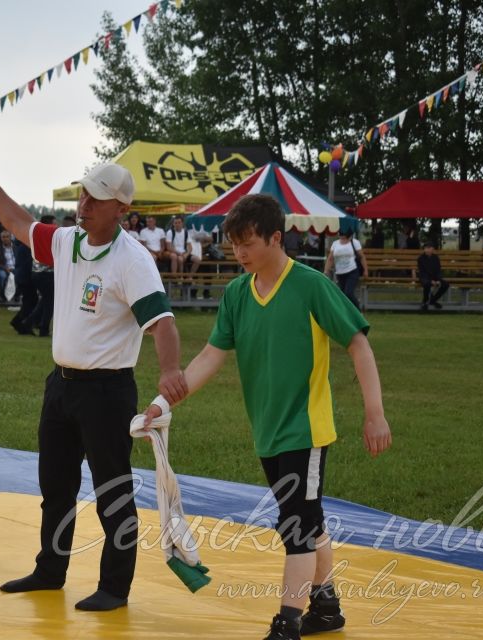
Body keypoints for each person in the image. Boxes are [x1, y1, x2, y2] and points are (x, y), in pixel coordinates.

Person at [0, 122, 187, 612]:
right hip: (61, 386)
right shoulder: (68, 243)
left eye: (96, 199)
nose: (84, 205)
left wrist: (169, 372)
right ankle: (49, 570)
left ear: (121, 209)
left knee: (112, 492)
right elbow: (18, 223)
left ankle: (114, 588)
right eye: (83, 195)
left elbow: (163, 323)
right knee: (55, 487)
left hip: (107, 393)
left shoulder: (133, 260)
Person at [139, 194, 391, 640]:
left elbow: (358, 343)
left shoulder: (311, 285)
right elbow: (211, 355)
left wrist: (375, 413)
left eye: (247, 244)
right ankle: (326, 605)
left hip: (306, 429)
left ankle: (288, 622)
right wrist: (162, 404)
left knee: (295, 524)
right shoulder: (238, 293)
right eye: (233, 245)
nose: (239, 254)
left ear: (276, 238)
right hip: (268, 431)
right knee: (308, 521)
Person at [324, 229, 367, 309]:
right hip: (340, 273)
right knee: (342, 295)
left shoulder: (355, 242)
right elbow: (330, 258)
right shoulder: (335, 244)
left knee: (348, 292)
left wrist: (365, 270)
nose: (343, 238)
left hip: (352, 271)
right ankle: (347, 313)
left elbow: (361, 257)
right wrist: (326, 270)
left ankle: (358, 311)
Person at [414, 242, 450, 311]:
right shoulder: (420, 258)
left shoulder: (436, 258)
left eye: (429, 248)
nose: (427, 250)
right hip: (424, 277)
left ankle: (432, 300)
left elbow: (438, 270)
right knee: (427, 284)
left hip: (435, 277)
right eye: (425, 248)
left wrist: (438, 280)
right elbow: (422, 272)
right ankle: (425, 302)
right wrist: (430, 281)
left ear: (432, 249)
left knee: (445, 284)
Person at [0, 230, 16, 302]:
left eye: (7, 237)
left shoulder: (16, 247)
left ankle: (16, 295)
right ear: (1, 238)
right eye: (3, 237)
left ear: (10, 237)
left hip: (15, 267)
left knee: (20, 275)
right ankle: (2, 295)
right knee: (2, 276)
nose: (5, 239)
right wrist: (5, 268)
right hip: (3, 268)